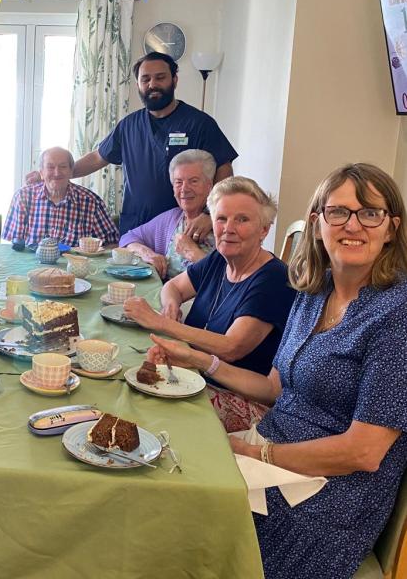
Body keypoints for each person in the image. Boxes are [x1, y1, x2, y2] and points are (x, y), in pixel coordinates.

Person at [147, 164, 407, 579]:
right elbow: (272, 388)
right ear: (319, 222)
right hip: (273, 451)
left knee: (180, 516)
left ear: (391, 228)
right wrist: (196, 359)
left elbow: (364, 452)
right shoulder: (312, 291)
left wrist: (254, 453)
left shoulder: (396, 315)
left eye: (369, 213)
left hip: (327, 496)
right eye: (338, 211)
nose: (352, 224)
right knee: (160, 469)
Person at [123, 176, 296, 432]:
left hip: (243, 399)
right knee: (127, 380)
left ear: (264, 229)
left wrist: (161, 324)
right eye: (222, 218)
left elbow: (231, 347)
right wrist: (171, 309)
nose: (229, 228)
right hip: (199, 374)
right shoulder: (220, 259)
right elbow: (173, 287)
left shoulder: (273, 278)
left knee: (145, 411)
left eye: (242, 219)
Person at [64, 51, 237, 235]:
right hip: (136, 228)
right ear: (138, 84)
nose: (152, 84)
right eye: (145, 79)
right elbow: (98, 157)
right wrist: (56, 173)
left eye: (160, 77)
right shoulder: (128, 125)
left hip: (184, 228)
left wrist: (210, 213)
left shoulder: (199, 123)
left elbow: (224, 169)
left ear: (175, 80)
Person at [119, 149, 217, 280]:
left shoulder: (224, 224)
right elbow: (128, 238)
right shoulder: (172, 218)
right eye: (178, 182)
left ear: (209, 186)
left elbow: (229, 279)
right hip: (168, 298)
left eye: (193, 181)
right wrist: (148, 254)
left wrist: (192, 252)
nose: (184, 189)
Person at [2, 147, 118, 247]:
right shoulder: (23, 197)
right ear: (41, 172)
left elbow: (111, 244)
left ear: (71, 171)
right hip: (30, 268)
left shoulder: (91, 202)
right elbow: (15, 244)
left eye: (63, 167)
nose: (57, 173)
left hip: (74, 268)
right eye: (50, 167)